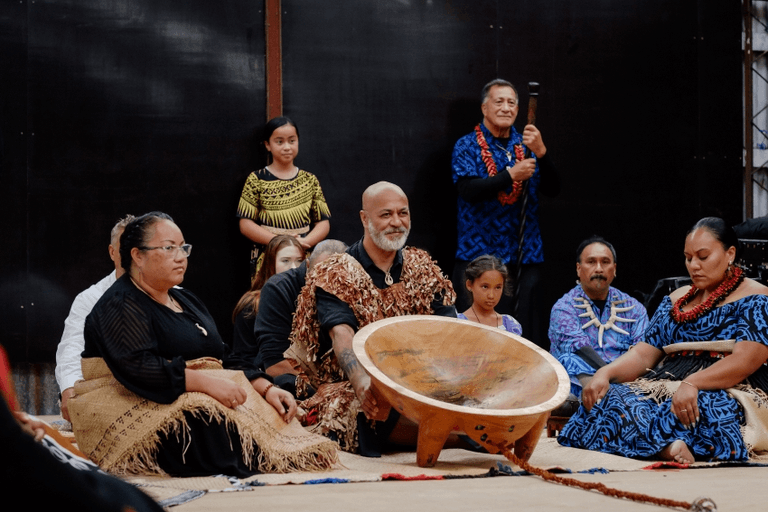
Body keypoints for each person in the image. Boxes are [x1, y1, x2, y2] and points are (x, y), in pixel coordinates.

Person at [68, 212, 336, 477]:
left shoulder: (187, 301)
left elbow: (223, 356)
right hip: (143, 404)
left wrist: (265, 388)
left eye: (183, 248)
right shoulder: (120, 303)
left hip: (194, 393)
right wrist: (207, 384)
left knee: (276, 407)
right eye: (169, 248)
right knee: (207, 422)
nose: (181, 256)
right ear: (138, 255)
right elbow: (140, 368)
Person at [558, 218, 768, 464]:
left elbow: (746, 360)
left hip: (728, 385)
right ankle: (667, 446)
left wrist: (692, 384)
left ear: (730, 253)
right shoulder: (676, 299)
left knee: (704, 406)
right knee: (613, 397)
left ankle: (656, 443)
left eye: (703, 257)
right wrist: (605, 373)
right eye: (689, 258)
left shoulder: (757, 297)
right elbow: (643, 354)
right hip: (667, 382)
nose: (694, 266)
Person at [286, 181, 456, 455]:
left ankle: (455, 429)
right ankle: (461, 436)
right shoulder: (336, 271)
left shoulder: (422, 266)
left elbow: (449, 330)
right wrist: (362, 382)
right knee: (363, 409)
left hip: (421, 379)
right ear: (365, 219)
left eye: (403, 213)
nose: (396, 222)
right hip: (355, 383)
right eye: (386, 214)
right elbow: (342, 335)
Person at [451, 79, 559, 347]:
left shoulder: (528, 145)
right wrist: (510, 175)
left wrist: (542, 154)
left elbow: (554, 189)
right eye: (499, 101)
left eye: (512, 102)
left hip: (523, 255)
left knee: (524, 333)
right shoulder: (467, 145)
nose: (506, 108)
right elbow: (467, 189)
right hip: (479, 255)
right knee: (476, 336)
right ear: (484, 107)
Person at [242, 239, 348, 397]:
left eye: (335, 280)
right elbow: (275, 366)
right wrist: (326, 394)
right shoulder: (277, 289)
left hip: (339, 379)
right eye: (320, 277)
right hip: (300, 383)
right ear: (307, 266)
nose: (327, 286)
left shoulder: (353, 286)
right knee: (287, 382)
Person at [55, 214, 135, 421]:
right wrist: (69, 390)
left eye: (139, 246)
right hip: (104, 397)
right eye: (125, 245)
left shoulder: (171, 294)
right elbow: (72, 348)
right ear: (112, 252)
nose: (132, 253)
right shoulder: (90, 298)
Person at [548, 237, 649, 398]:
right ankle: (607, 401)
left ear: (614, 268)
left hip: (626, 378)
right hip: (583, 381)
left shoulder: (634, 309)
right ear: (578, 269)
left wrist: (615, 375)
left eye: (605, 262)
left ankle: (615, 400)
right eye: (591, 262)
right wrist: (607, 378)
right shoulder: (564, 308)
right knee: (568, 359)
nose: (599, 268)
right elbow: (579, 349)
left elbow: (644, 350)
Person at [237, 116, 331, 280]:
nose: (287, 147)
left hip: (303, 254)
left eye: (291, 141)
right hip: (269, 254)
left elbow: (323, 222)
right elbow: (245, 224)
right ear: (268, 145)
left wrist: (302, 243)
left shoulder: (309, 180)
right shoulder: (256, 179)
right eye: (279, 142)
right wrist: (281, 242)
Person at [232, 234, 306, 368]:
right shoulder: (250, 305)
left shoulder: (309, 298)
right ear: (270, 264)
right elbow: (243, 358)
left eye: (299, 260)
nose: (294, 267)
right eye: (285, 261)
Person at [457, 255, 522, 334]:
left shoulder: (510, 325)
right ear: (469, 285)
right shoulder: (457, 323)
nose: (491, 296)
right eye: (485, 287)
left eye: (498, 287)